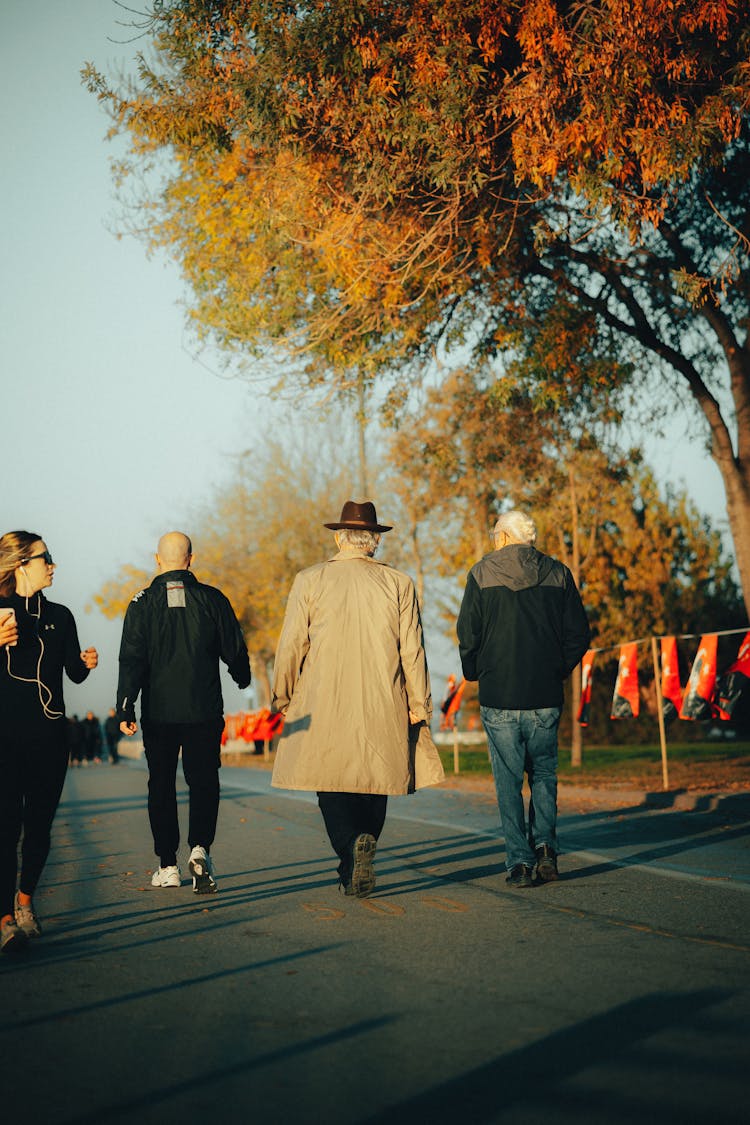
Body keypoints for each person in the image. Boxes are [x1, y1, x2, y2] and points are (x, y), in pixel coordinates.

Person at [271, 500, 444, 896]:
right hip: (382, 698)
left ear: (338, 537)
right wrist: (420, 704)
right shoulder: (399, 583)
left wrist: (283, 694)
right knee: (375, 778)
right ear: (374, 541)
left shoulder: (310, 579)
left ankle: (350, 850)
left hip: (322, 698)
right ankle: (364, 844)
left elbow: (292, 642)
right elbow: (412, 651)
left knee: (329, 782)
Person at [457, 510, 590, 887]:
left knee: (508, 781)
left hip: (499, 693)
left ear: (502, 538)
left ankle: (519, 862)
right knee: (544, 774)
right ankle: (546, 848)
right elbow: (578, 633)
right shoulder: (558, 573)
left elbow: (468, 634)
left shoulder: (481, 574)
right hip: (545, 694)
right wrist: (556, 669)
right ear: (528, 537)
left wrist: (475, 671)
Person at [116, 531, 251, 894]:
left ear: (157, 559)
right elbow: (234, 649)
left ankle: (167, 865)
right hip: (203, 709)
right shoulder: (213, 599)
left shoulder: (141, 603)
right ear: (191, 559)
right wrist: (242, 677)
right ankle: (200, 849)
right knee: (203, 781)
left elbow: (131, 659)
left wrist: (125, 705)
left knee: (160, 785)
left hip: (159, 712)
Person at [0, 531, 98, 954]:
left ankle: (25, 903)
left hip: (50, 737)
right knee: (6, 827)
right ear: (21, 563)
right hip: (3, 738)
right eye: (46, 558)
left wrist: (86, 664)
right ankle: (4, 919)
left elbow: (73, 675)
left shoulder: (61, 614)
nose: (53, 564)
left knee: (39, 825)